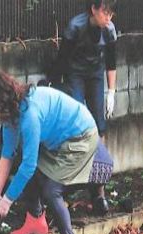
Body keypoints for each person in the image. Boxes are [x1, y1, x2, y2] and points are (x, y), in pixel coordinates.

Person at [0, 71, 113, 234]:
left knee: (52, 190)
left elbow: (29, 166)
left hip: (80, 136)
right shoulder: (10, 115)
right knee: (26, 167)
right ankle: (36, 221)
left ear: (0, 102)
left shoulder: (29, 115)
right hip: (59, 139)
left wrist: (7, 200)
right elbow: (7, 154)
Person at [47, 0, 117, 139]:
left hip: (96, 72)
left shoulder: (109, 29)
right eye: (105, 13)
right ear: (93, 9)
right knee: (77, 116)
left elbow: (111, 62)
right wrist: (52, 84)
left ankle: (100, 159)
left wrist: (111, 92)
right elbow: (62, 59)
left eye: (111, 14)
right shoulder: (75, 26)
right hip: (75, 73)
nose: (108, 18)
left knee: (98, 119)